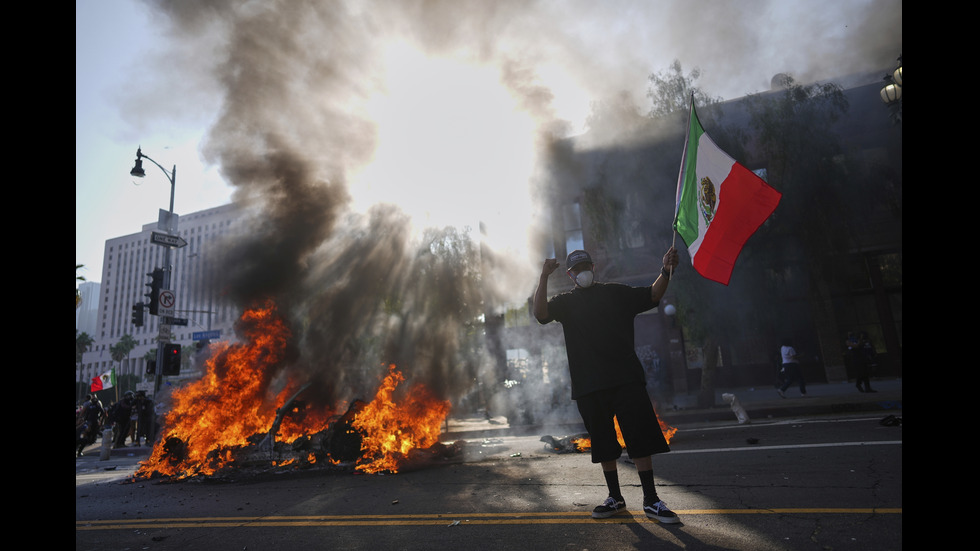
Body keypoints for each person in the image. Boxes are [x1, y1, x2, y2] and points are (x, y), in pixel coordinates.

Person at [533, 246, 680, 523]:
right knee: (603, 443)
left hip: (626, 380)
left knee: (640, 439)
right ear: (570, 274)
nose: (582, 272)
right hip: (590, 386)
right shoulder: (566, 302)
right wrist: (543, 278)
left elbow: (652, 294)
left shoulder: (615, 293)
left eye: (585, 266)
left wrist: (665, 270)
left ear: (593, 267)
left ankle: (651, 500)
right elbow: (540, 314)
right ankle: (616, 498)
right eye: (576, 270)